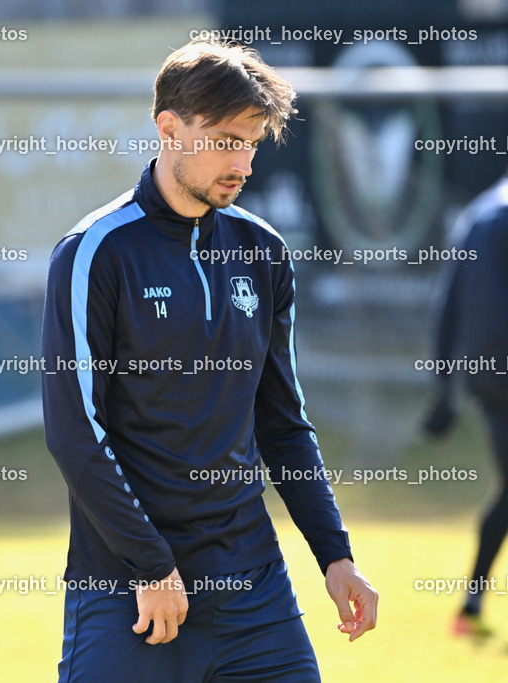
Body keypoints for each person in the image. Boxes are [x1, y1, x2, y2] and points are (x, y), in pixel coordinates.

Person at [41, 39, 378, 682]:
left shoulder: (264, 251)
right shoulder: (94, 253)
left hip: (254, 590)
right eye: (225, 140)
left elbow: (282, 423)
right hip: (130, 591)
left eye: (252, 142)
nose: (243, 162)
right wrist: (149, 566)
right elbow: (75, 431)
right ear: (169, 129)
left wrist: (335, 555)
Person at [422, 168, 508, 638]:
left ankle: (470, 606)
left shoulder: (476, 214)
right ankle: (470, 605)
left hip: (486, 378)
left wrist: (442, 388)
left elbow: (447, 302)